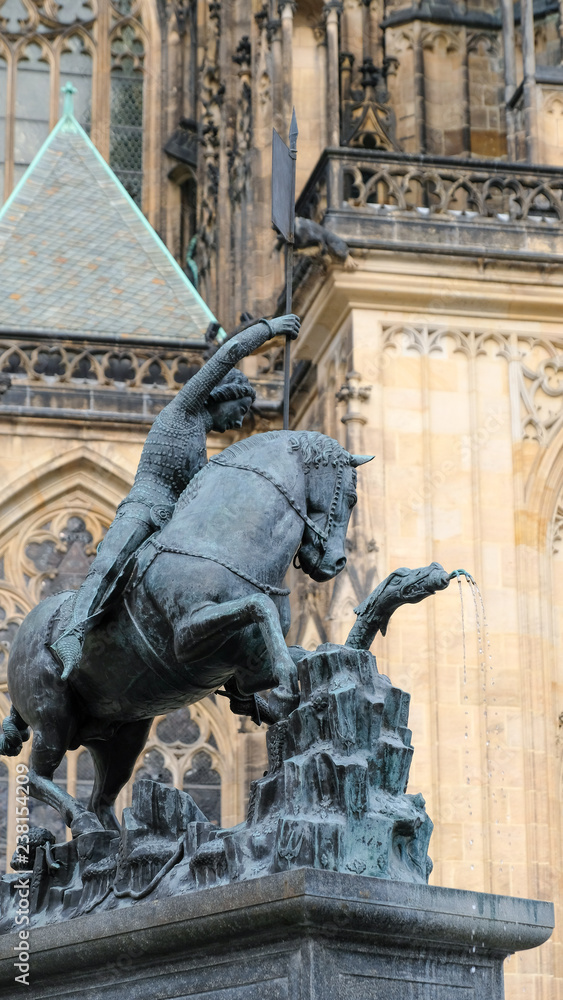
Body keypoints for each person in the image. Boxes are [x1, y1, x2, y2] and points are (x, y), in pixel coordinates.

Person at [51, 314, 300, 679]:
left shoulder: (202, 443)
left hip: (175, 524)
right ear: (223, 396)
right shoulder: (183, 412)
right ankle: (72, 635)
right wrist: (271, 329)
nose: (238, 423)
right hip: (145, 508)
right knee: (109, 563)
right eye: (240, 411)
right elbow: (228, 353)